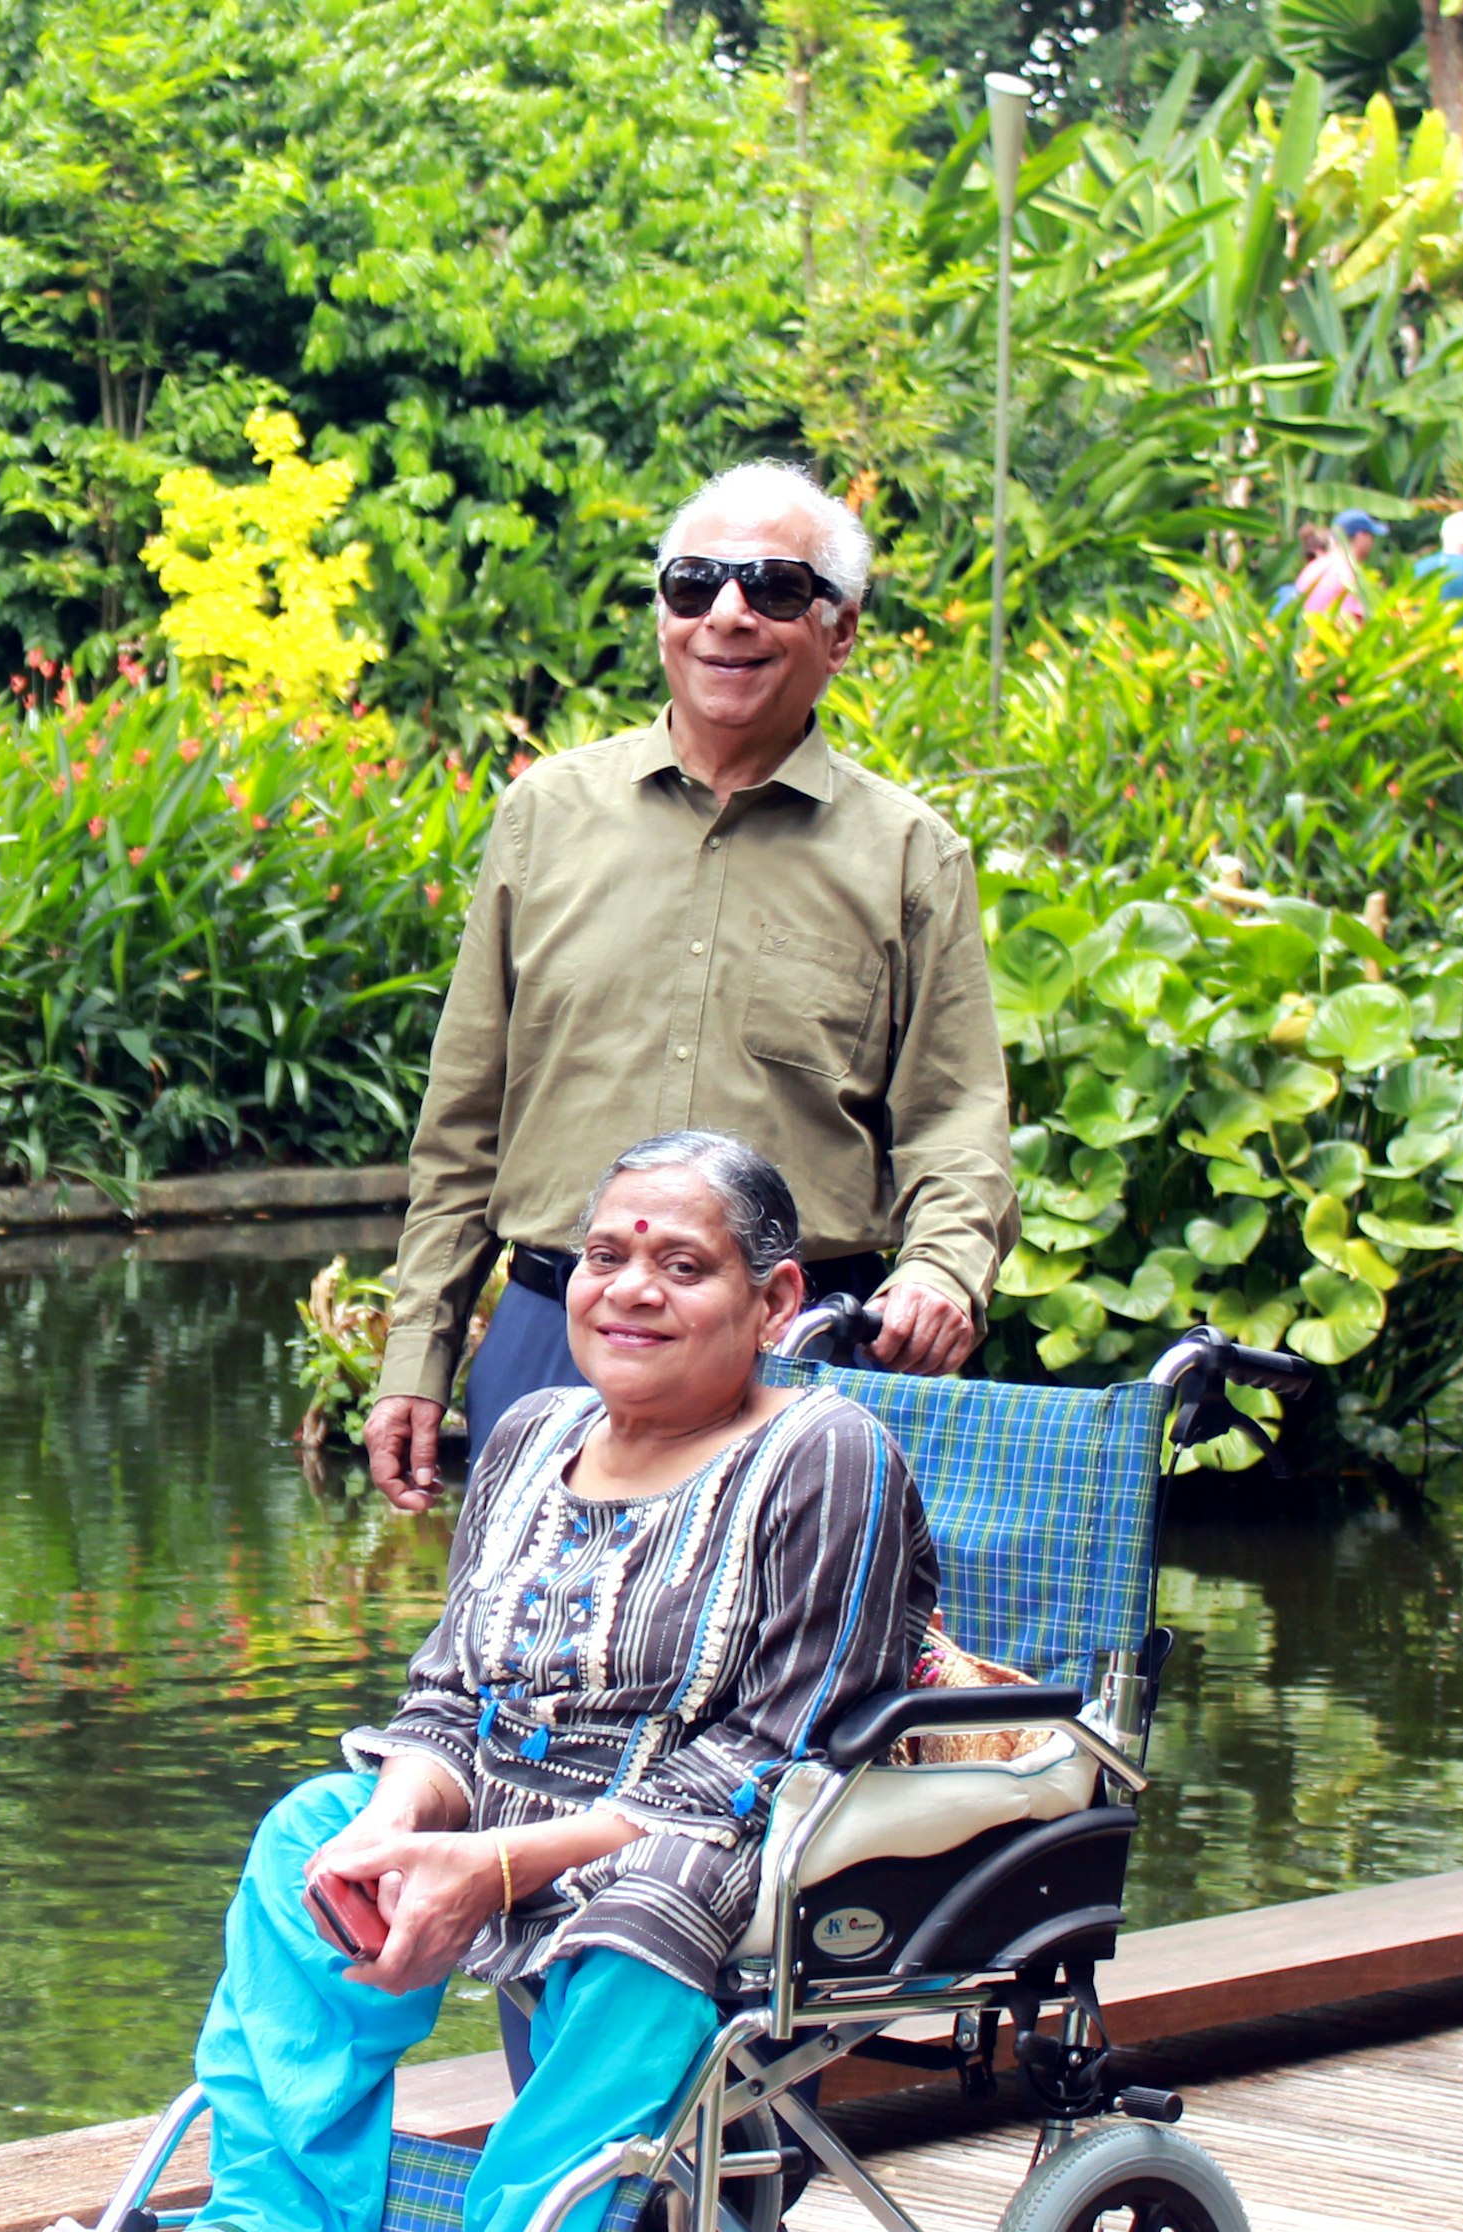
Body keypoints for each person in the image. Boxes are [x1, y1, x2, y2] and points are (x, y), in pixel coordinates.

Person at [33, 1131, 936, 2232]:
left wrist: (497, 1868)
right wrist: (402, 1825)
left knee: (653, 1903)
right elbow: (452, 1694)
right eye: (608, 1255)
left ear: (777, 1300)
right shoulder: (528, 1435)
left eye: (683, 1264)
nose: (629, 1288)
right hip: (507, 1814)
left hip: (710, 1842)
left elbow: (767, 1756)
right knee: (311, 1834)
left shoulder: (826, 1454)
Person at [357, 461, 1015, 1512]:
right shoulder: (546, 816)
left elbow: (957, 1122)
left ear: (840, 631)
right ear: (662, 611)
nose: (729, 614)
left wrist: (942, 1271)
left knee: (794, 1668)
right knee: (524, 1667)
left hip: (799, 1356)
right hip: (559, 1339)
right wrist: (415, 1355)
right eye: (694, 583)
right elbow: (462, 1124)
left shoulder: (909, 857)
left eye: (776, 588)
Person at [1282, 508, 1385, 628]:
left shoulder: (1313, 567)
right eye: (1371, 536)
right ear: (1361, 537)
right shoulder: (1350, 574)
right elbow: (1353, 624)